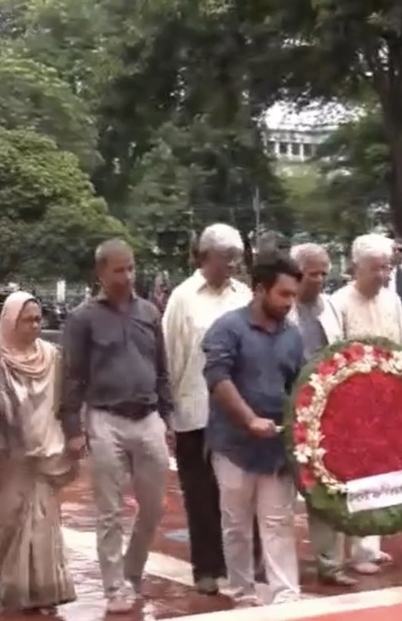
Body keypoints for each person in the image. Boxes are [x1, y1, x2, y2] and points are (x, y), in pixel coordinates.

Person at [58, 238, 172, 614]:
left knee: (154, 507)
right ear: (101, 272)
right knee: (108, 510)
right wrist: (73, 429)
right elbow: (72, 376)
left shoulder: (150, 313)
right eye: (119, 269)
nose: (127, 276)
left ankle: (132, 571)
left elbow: (162, 369)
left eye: (131, 268)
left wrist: (166, 417)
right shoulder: (83, 318)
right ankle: (113, 587)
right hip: (105, 419)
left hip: (148, 417)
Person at [202, 254, 305, 607]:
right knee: (237, 526)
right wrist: (248, 420)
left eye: (293, 295)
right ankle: (244, 594)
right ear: (260, 289)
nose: (290, 303)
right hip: (233, 446)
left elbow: (300, 386)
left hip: (276, 448)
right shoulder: (227, 328)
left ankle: (285, 597)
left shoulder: (294, 336)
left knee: (277, 523)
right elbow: (217, 379)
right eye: (284, 294)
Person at [161, 223, 251, 594]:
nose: (231, 264)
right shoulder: (183, 298)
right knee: (200, 494)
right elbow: (169, 355)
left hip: (236, 412)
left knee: (238, 493)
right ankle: (206, 568)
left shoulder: (244, 295)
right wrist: (168, 412)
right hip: (194, 409)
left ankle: (240, 564)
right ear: (206, 256)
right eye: (225, 257)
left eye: (237, 258)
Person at [0, 291, 76, 613]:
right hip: (7, 457)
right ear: (10, 321)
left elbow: (65, 402)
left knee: (42, 523)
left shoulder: (53, 356)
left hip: (45, 453)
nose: (35, 325)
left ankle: (39, 592)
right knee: (7, 523)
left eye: (38, 319)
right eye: (28, 320)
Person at [323, 235, 402, 578]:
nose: (383, 275)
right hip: (350, 402)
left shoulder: (393, 301)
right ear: (357, 267)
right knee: (350, 476)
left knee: (380, 474)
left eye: (387, 267)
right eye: (376, 269)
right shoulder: (337, 302)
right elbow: (332, 355)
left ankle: (369, 545)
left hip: (386, 400)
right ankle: (347, 549)